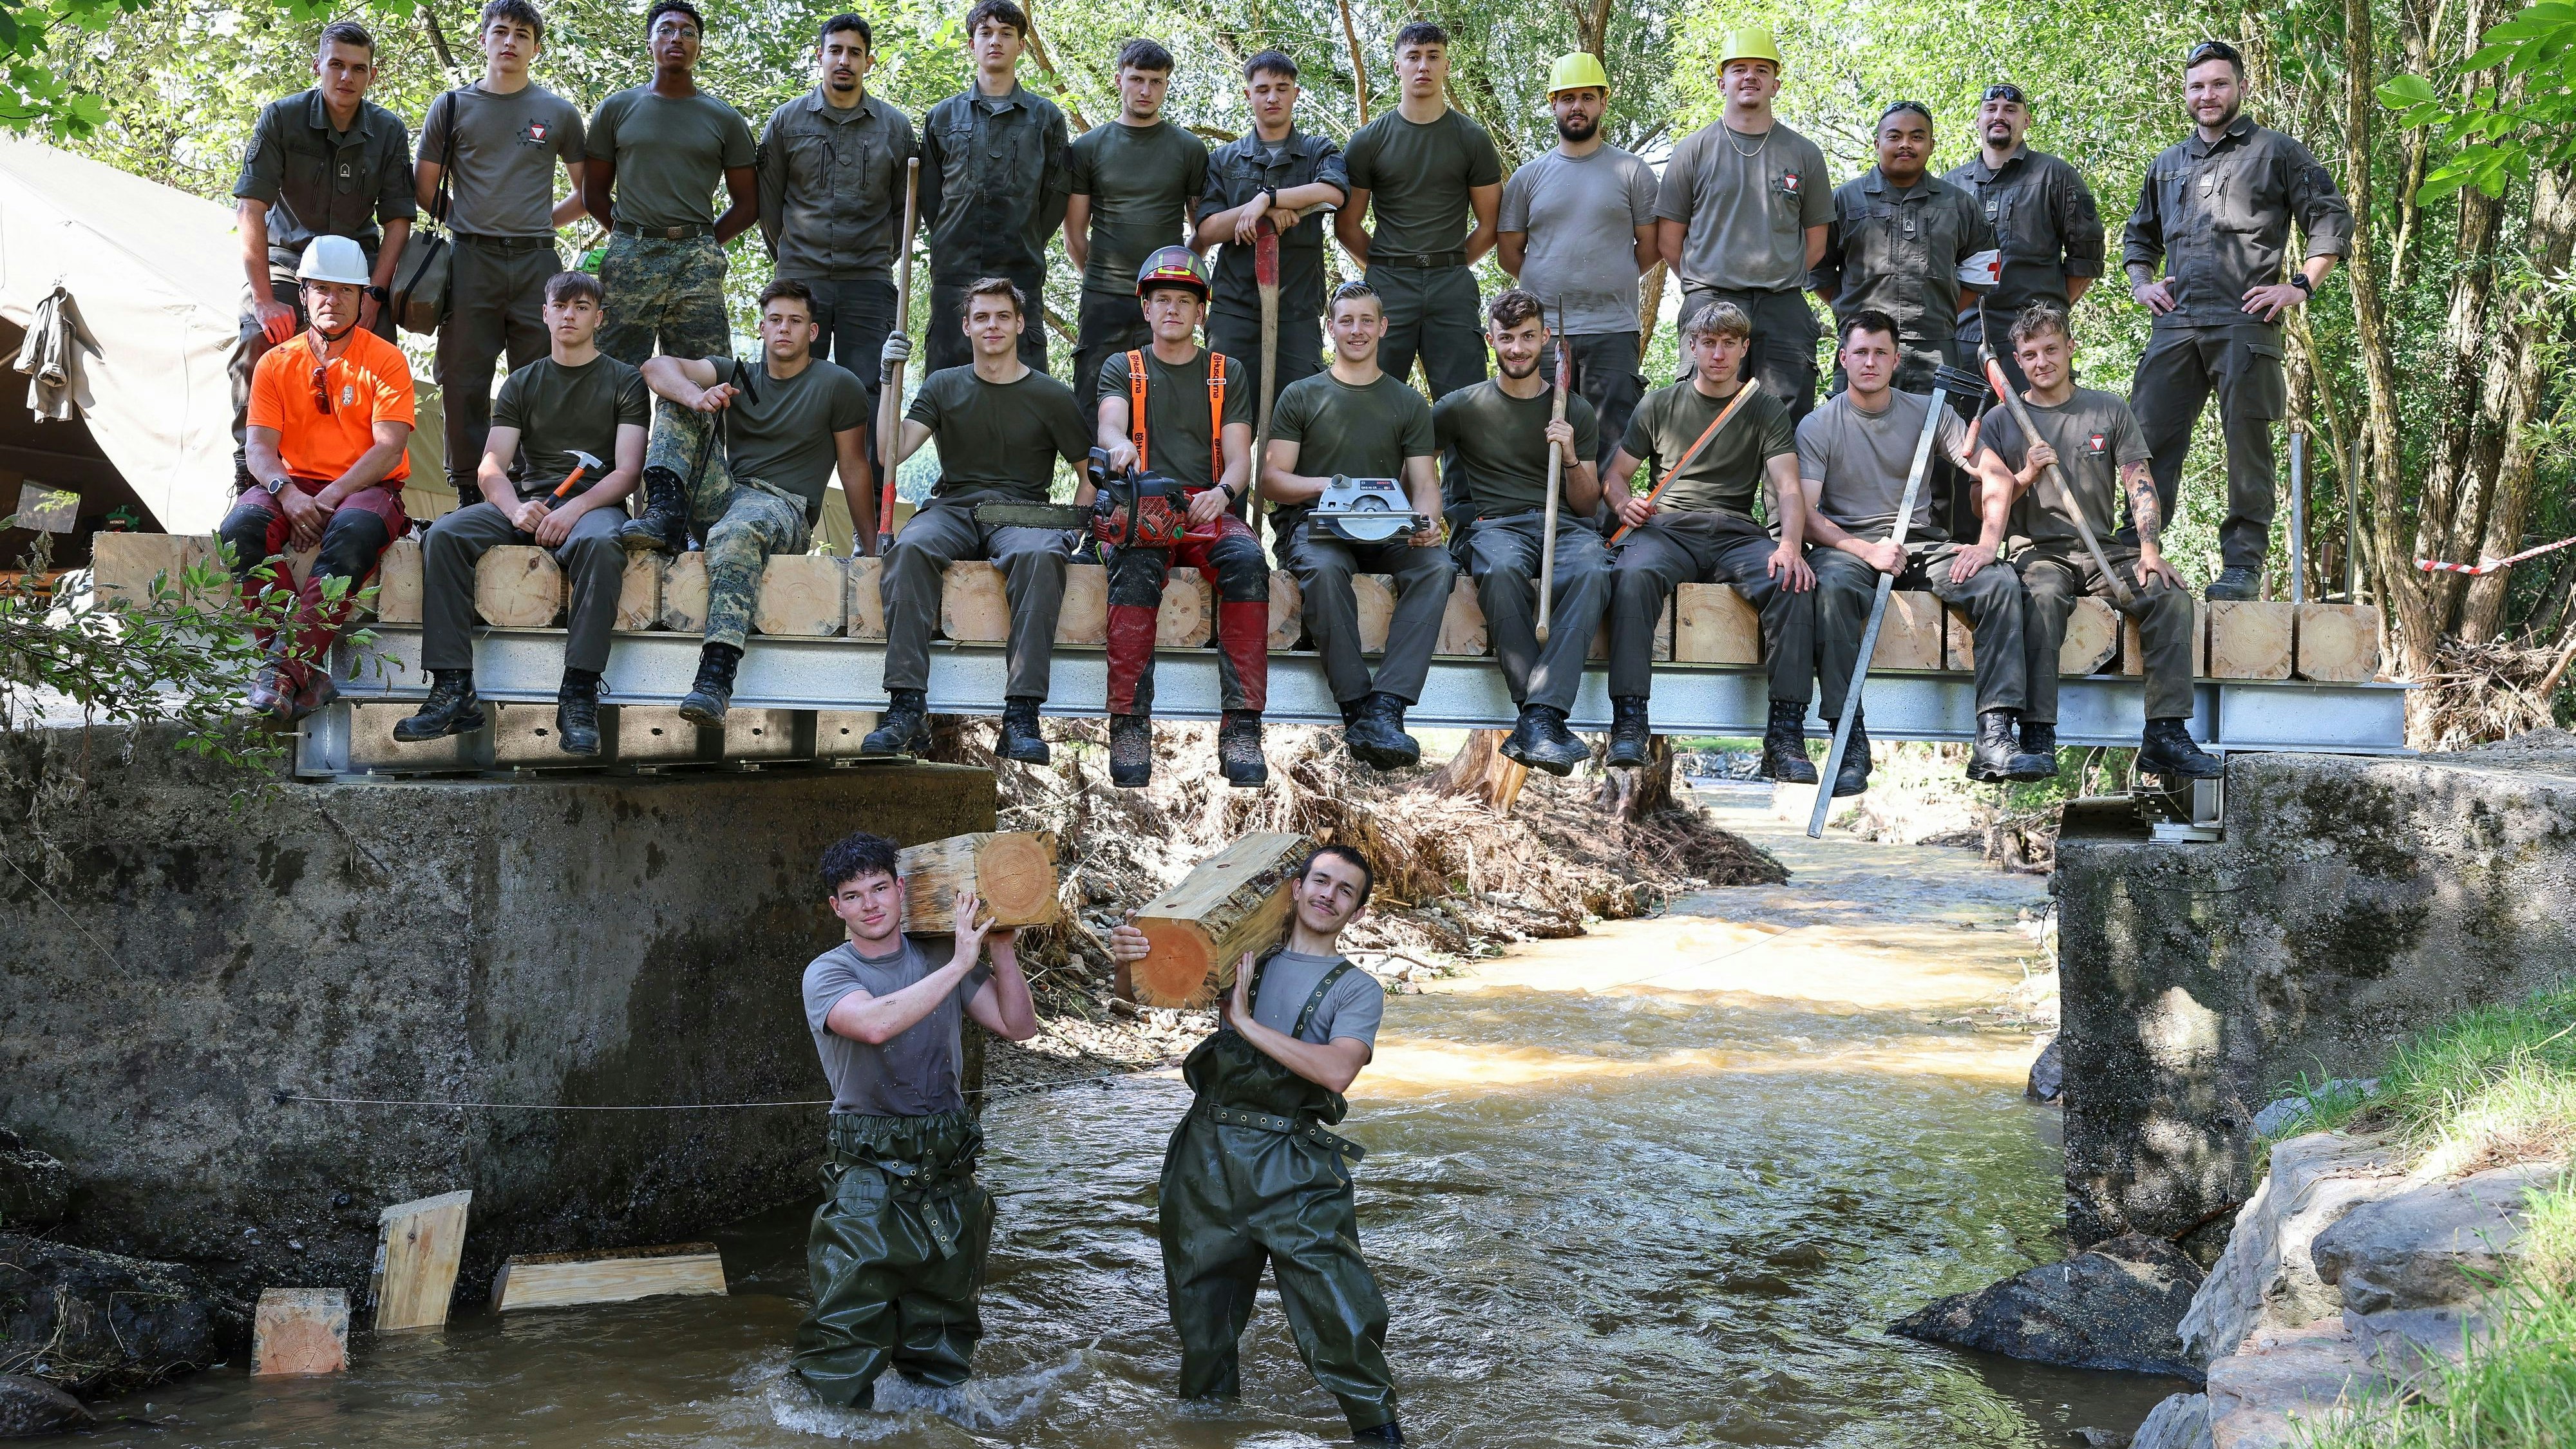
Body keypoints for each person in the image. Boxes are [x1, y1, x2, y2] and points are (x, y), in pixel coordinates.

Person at [1108, 844, 1403, 1447]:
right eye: (1320, 881)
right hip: (1206, 1155)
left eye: (1345, 890)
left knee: (1340, 1311)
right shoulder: (1239, 954)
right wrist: (1126, 961)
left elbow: (1336, 1071)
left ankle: (1380, 1435)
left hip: (1293, 1163)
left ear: (1357, 912)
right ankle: (1208, 1432)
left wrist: (1244, 1023)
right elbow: (1138, 999)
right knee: (1202, 1322)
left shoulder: (1358, 990)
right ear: (1296, 889)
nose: (1329, 895)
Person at [790, 832, 1037, 1410]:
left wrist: (999, 949)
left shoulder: (936, 958)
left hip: (947, 1159)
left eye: (880, 888)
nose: (870, 904)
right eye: (853, 896)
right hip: (868, 1163)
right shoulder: (827, 972)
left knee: (944, 1325)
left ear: (901, 890)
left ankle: (936, 1422)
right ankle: (828, 1428)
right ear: (837, 908)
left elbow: (1017, 1027)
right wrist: (959, 962)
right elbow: (874, 1024)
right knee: (845, 1323)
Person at [2122, 38, 2351, 600]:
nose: (2208, 95)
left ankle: (2243, 565)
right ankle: (2132, 548)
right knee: (2146, 441)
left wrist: (2298, 286)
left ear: (2240, 87)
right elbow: (2137, 236)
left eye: (2219, 84)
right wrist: (2141, 283)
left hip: (2244, 322)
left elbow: (2330, 216)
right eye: (2197, 86)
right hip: (2174, 324)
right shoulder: (2168, 164)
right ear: (2185, 93)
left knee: (2247, 444)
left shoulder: (2276, 152)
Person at [1801, 310, 2052, 794]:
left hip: (1919, 543)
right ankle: (1849, 742)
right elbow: (1808, 516)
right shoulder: (1819, 425)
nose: (1870, 362)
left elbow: (1996, 476)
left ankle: (1994, 737)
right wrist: (1866, 551)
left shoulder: (1930, 412)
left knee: (1999, 581)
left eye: (1880, 353)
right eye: (1860, 353)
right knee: (1829, 591)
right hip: (1848, 547)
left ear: (1895, 360)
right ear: (1843, 358)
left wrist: (1985, 544)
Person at [396, 270, 647, 756]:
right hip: (530, 501)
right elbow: (492, 466)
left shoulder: (624, 380)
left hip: (594, 505)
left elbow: (628, 472)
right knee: (446, 534)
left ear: (600, 317)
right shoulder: (522, 383)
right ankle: (452, 690)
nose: (570, 315)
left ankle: (578, 694)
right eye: (561, 306)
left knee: (600, 544)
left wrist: (574, 509)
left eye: (581, 306)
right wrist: (514, 509)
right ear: (545, 314)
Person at [1978, 303, 2221, 778]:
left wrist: (2149, 550)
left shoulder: (2107, 408)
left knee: (2169, 595)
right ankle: (2038, 735)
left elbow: (2139, 481)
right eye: (2030, 355)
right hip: (2038, 552)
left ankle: (2165, 735)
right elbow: (1981, 507)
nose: (2042, 361)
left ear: (2070, 347)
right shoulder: (2001, 420)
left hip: (2104, 550)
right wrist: (2025, 473)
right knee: (2041, 599)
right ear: (2017, 361)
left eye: (2051, 349)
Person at [620, 279, 872, 723]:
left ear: (813, 332)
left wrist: (871, 546)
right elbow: (655, 366)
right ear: (761, 327)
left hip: (784, 508)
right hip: (725, 495)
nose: (784, 329)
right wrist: (699, 396)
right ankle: (663, 512)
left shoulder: (838, 384)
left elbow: (853, 467)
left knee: (737, 532)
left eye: (795, 321)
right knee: (678, 398)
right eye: (775, 320)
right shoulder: (739, 374)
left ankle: (715, 678)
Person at [865, 278, 1090, 763]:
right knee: (909, 548)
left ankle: (1022, 715)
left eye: (1003, 317)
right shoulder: (944, 385)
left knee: (1040, 553)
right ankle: (906, 706)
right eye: (982, 317)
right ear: (966, 326)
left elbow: (1088, 476)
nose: (993, 326)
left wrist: (1072, 529)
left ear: (1020, 325)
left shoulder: (1051, 396)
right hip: (955, 506)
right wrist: (887, 379)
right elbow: (892, 451)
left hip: (1022, 512)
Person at [1602, 301, 1815, 779]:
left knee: (1792, 581)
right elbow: (1616, 476)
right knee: (1632, 574)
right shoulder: (1658, 403)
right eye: (1709, 343)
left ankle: (1784, 735)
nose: (1718, 354)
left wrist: (1790, 547)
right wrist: (1623, 504)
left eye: (1729, 344)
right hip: (1668, 528)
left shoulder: (1764, 407)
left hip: (1735, 532)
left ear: (1743, 349)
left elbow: (1787, 487)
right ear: (1692, 346)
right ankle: (1630, 721)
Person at [1090, 251, 1267, 791]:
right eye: (1162, 299)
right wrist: (1120, 450)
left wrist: (1224, 491)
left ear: (1201, 311)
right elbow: (1110, 425)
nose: (1172, 309)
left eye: (1184, 301)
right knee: (1136, 569)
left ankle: (1242, 726)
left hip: (1207, 506)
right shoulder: (1123, 366)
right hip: (1146, 504)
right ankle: (1128, 724)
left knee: (1249, 563)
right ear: (1146, 309)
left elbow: (1241, 456)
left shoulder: (1225, 372)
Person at [221, 237, 416, 721]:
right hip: (290, 483)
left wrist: (327, 497)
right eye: (322, 289)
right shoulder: (275, 361)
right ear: (303, 295)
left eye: (345, 291)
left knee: (356, 533)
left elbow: (389, 446)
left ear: (360, 298)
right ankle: (305, 672)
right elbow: (260, 449)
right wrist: (285, 493)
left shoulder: (387, 359)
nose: (332, 300)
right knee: (238, 531)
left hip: (364, 488)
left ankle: (279, 671)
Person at [1261, 281, 1453, 771]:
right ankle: (1355, 708)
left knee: (1436, 566)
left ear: (1383, 328)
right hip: (1317, 525)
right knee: (1323, 572)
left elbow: (1424, 482)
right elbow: (1272, 480)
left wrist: (1428, 521)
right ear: (1331, 328)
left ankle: (1387, 707)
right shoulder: (1302, 395)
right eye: (1346, 321)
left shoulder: (1408, 403)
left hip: (1387, 528)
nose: (1357, 330)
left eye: (1367, 321)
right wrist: (1327, 486)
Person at [416, 0, 589, 505]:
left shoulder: (557, 113)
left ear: (536, 47)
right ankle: (471, 488)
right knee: (463, 374)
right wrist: (472, 223)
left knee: (542, 374)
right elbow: (424, 187)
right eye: (500, 31)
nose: (510, 42)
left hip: (538, 262)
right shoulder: (451, 107)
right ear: (484, 40)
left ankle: (537, 484)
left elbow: (586, 194)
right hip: (470, 259)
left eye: (521, 34)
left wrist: (538, 224)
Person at [230, 21, 414, 491]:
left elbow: (397, 222)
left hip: (358, 268)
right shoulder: (280, 118)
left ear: (372, 75)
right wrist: (265, 298)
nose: (346, 77)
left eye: (358, 68)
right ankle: (250, 473)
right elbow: (251, 208)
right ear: (318, 66)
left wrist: (375, 291)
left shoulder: (389, 131)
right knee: (257, 339)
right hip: (288, 261)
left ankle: (372, 484)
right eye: (336, 65)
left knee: (382, 353)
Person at [1434, 289, 1605, 776]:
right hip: (1495, 526)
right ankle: (1543, 716)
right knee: (1503, 568)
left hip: (1565, 526)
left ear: (1546, 339)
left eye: (1528, 337)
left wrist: (1570, 454)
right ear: (1491, 339)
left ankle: (1537, 717)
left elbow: (1589, 503)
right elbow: (1411, 462)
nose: (1517, 348)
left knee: (1594, 568)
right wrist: (1422, 517)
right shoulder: (1459, 407)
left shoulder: (1574, 409)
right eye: (1506, 338)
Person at [1338, 19, 1501, 531]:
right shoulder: (1370, 140)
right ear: (1398, 65)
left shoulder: (1471, 138)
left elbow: (1490, 224)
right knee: (1371, 400)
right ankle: (1364, 522)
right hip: (1388, 285)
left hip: (1452, 284)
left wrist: (1447, 263)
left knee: (1465, 406)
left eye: (1433, 55)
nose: (1424, 65)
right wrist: (1390, 264)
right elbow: (1348, 225)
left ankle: (1468, 530)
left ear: (1446, 64)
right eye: (1414, 56)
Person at [1652, 27, 1832, 421]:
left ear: (1775, 84)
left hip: (1782, 306)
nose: (1750, 76)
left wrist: (1777, 277)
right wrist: (1707, 280)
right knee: (1700, 418)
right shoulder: (1692, 150)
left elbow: (1816, 243)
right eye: (1739, 69)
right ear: (1722, 82)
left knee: (1787, 421)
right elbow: (1669, 241)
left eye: (1761, 69)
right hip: (1710, 299)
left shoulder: (1804, 153)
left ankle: (1783, 487)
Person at [1496, 53, 1659, 467]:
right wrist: (1550, 281)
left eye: (1587, 97)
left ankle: (1605, 533)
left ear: (1603, 103)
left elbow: (1652, 246)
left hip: (1614, 330)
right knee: (1539, 441)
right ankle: (1540, 530)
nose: (1577, 107)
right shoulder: (1528, 178)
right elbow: (1509, 252)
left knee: (1611, 446)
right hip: (1544, 333)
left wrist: (1609, 277)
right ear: (1553, 104)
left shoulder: (1632, 171)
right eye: (1567, 97)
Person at [582, 0, 758, 366]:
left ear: (698, 47)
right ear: (650, 44)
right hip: (630, 257)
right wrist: (631, 235)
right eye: (665, 30)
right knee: (612, 373)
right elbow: (593, 193)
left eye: (688, 32)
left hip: (697, 263)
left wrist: (703, 242)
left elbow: (748, 205)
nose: (676, 37)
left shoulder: (725, 119)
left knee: (705, 375)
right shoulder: (616, 109)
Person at [755, 14, 918, 397]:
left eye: (855, 53)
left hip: (869, 283)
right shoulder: (786, 122)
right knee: (787, 390)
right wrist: (795, 256)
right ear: (820, 56)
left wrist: (874, 256)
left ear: (868, 61)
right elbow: (769, 205)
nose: (844, 60)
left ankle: (865, 461)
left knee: (870, 396)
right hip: (799, 280)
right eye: (836, 51)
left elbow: (904, 212)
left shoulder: (895, 128)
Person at [1193, 51, 1349, 437]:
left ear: (1296, 93)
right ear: (1248, 95)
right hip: (1234, 309)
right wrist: (1260, 211)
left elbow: (1334, 192)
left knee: (1299, 420)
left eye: (1282, 89)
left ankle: (1292, 500)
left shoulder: (1317, 151)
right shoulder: (1224, 160)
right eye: (1262, 90)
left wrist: (1271, 197)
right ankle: (1224, 499)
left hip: (1297, 309)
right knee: (1222, 420)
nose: (1272, 98)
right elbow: (1208, 229)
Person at [916, 0, 1070, 375]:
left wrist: (1028, 233)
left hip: (1021, 268)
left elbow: (1055, 196)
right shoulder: (942, 117)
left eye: (1006, 34)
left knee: (1025, 382)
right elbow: (930, 196)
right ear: (972, 45)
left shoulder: (1045, 117)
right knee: (948, 384)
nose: (995, 41)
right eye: (985, 33)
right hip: (955, 270)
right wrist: (955, 234)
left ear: (1021, 45)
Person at [1813, 101, 1998, 395]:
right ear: (1877, 142)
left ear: (1932, 144)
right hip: (1865, 349)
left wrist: (1943, 311)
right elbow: (1816, 268)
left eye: (1917, 137)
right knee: (1858, 434)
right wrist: (1847, 308)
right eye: (1895, 136)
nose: (1906, 145)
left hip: (1936, 350)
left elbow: (1982, 269)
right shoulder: (1844, 201)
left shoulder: (1959, 204)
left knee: (1938, 434)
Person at [1066, 40, 1210, 408]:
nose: (1146, 90)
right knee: (1094, 404)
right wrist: (1106, 279)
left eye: (1156, 82)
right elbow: (1075, 235)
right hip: (1103, 299)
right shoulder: (1088, 148)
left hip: (1166, 298)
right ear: (1119, 80)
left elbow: (1201, 232)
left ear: (1166, 85)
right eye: (1137, 79)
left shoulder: (1189, 149)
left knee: (1164, 406)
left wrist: (1169, 276)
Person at [1940, 82, 2103, 390]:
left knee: (2038, 433)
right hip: (1962, 336)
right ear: (1978, 120)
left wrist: (2043, 317)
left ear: (2026, 121)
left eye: (2010, 110)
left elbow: (2086, 262)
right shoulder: (1950, 186)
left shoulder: (2055, 176)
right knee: (1961, 434)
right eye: (1991, 109)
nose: (1999, 116)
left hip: (2035, 340)